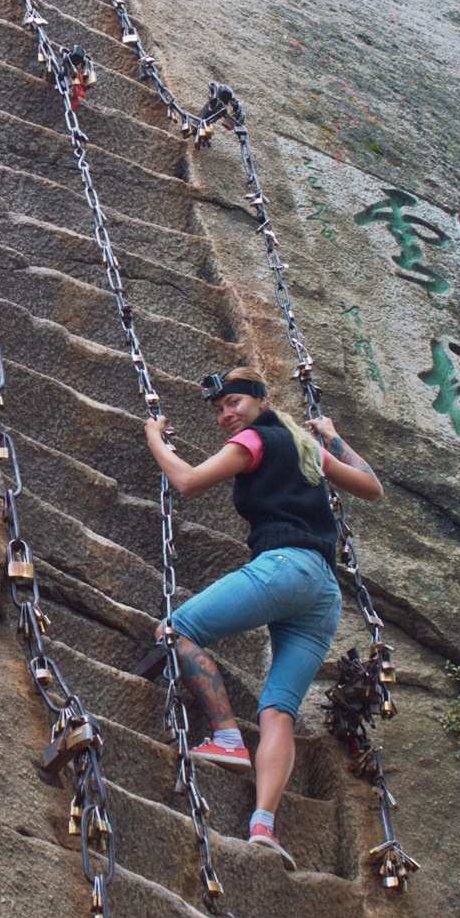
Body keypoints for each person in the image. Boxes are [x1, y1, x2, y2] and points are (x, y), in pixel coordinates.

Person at [142, 367, 382, 869]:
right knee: (278, 712)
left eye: (234, 403)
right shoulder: (301, 445)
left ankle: (227, 738)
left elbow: (186, 481)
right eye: (219, 409)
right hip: (322, 592)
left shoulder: (255, 439)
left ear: (259, 401)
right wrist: (335, 439)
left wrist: (155, 440)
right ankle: (263, 827)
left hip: (284, 567)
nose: (226, 414)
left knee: (175, 630)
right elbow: (371, 486)